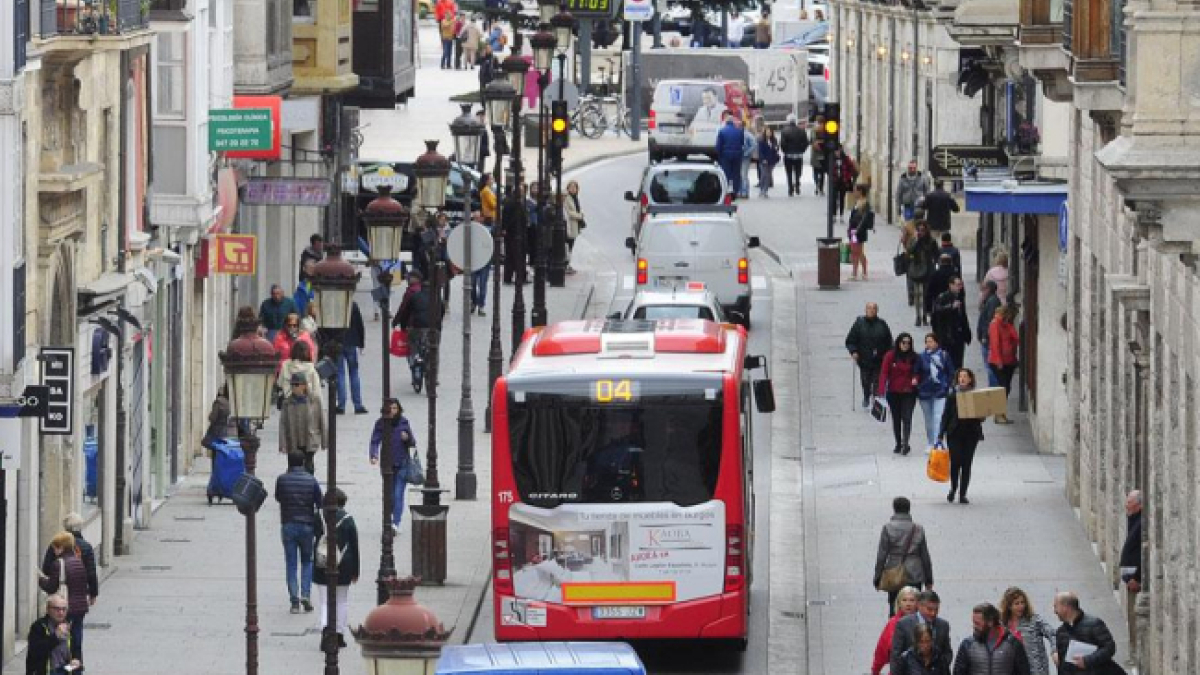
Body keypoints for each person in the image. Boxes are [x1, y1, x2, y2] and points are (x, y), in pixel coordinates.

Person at [276, 451, 323, 614]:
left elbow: (278, 497)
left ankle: (294, 601)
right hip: (307, 525)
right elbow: (320, 501)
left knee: (291, 563)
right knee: (307, 561)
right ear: (303, 462)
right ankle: (306, 594)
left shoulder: (282, 479)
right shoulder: (311, 480)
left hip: (288, 523)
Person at [312, 488, 359, 649]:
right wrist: (355, 571)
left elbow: (315, 537)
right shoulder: (347, 519)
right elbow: (354, 546)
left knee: (325, 602)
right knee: (342, 601)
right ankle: (339, 634)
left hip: (322, 563)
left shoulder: (318, 516)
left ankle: (326, 630)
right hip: (344, 565)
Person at [875, 498, 935, 614]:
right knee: (914, 603)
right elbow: (925, 555)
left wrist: (877, 578)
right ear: (909, 509)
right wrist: (929, 579)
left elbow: (881, 555)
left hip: (894, 571)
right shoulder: (918, 528)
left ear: (894, 509)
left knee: (894, 604)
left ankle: (895, 627)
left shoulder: (888, 528)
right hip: (915, 572)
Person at [38, 532, 90, 661]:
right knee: (76, 641)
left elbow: (51, 587)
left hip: (65, 608)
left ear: (62, 547)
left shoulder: (58, 564)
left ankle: (65, 669)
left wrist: (40, 580)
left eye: (56, 547)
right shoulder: (79, 562)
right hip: (80, 608)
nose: (54, 550)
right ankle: (77, 669)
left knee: (63, 643)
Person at [939, 368, 985, 504]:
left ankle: (963, 493)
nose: (962, 379)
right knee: (956, 461)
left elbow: (982, 416)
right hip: (954, 432)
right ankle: (953, 488)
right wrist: (940, 434)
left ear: (970, 379)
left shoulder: (976, 396)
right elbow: (945, 415)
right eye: (960, 377)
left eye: (965, 376)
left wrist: (981, 415)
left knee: (967, 463)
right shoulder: (952, 396)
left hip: (971, 433)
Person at [370, 398, 416, 530]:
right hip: (387, 464)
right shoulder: (381, 423)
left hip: (402, 462)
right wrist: (374, 455)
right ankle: (389, 516)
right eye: (390, 408)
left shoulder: (403, 422)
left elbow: (412, 442)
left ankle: (395, 522)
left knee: (398, 493)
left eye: (395, 408)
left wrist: (407, 438)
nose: (393, 411)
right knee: (389, 494)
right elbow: (375, 440)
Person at [40, 514, 98, 611]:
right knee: (77, 623)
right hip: (80, 595)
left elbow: (46, 568)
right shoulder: (86, 547)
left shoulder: (56, 545)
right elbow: (91, 573)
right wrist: (93, 594)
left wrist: (43, 580)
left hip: (60, 595)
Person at [952, 603, 1031, 675]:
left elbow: (1024, 672)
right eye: (973, 623)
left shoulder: (1013, 644)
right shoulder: (967, 644)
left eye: (977, 623)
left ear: (990, 622)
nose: (974, 626)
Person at [1053, 592, 1118, 674]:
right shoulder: (1061, 632)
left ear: (1066, 607)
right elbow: (1063, 666)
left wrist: (1087, 661)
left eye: (1056, 607)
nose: (1054, 611)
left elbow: (1110, 648)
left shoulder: (1094, 624)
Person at [878, 333, 921, 455]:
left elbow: (918, 371)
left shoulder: (915, 357)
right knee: (896, 419)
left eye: (908, 343)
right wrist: (881, 390)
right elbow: (884, 372)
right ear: (898, 343)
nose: (906, 345)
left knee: (907, 418)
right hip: (893, 392)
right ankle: (898, 442)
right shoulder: (890, 356)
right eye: (903, 342)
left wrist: (916, 378)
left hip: (909, 391)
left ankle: (905, 443)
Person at [999, 587, 1058, 675]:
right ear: (1008, 606)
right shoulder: (1002, 624)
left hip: (1036, 670)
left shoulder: (1034, 620)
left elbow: (1052, 634)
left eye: (1023, 602)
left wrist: (1055, 651)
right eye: (1016, 603)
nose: (1021, 606)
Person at [846, 302, 893, 409]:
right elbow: (850, 340)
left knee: (877, 380)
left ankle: (876, 400)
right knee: (866, 380)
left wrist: (889, 354)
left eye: (874, 308)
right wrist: (854, 351)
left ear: (877, 311)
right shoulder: (859, 324)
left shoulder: (882, 324)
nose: (871, 310)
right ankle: (866, 395)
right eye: (869, 308)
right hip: (864, 358)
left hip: (879, 359)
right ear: (865, 310)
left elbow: (889, 341)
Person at [890, 591, 952, 672]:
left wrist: (940, 667)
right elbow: (895, 656)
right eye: (929, 609)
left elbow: (947, 652)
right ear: (919, 606)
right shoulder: (903, 624)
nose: (933, 613)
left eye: (936, 609)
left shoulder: (943, 625)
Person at [279, 372, 327, 474]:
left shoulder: (314, 400)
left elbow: (321, 419)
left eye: (296, 385)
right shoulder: (287, 403)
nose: (294, 388)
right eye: (292, 385)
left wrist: (324, 441)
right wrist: (282, 444)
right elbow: (283, 424)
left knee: (309, 465)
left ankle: (309, 484)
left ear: (304, 385)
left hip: (309, 438)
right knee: (293, 466)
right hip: (293, 439)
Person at [916, 333, 954, 450]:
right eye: (927, 341)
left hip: (940, 391)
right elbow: (917, 372)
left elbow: (950, 371)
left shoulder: (944, 355)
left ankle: (939, 441)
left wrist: (947, 385)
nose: (929, 344)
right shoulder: (921, 357)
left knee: (938, 416)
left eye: (931, 341)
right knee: (928, 418)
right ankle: (930, 441)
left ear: (937, 342)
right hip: (925, 391)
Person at [25, 595, 80, 675]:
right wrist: (55, 636)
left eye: (64, 609)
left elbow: (76, 647)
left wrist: (77, 659)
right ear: (48, 609)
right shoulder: (39, 626)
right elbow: (35, 651)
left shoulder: (69, 625)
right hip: (47, 671)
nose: (61, 612)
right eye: (57, 609)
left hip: (66, 669)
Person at [872, 586, 921, 675]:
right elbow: (881, 650)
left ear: (918, 603)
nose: (908, 604)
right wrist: (875, 670)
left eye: (912, 600)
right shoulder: (893, 623)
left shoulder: (923, 621)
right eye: (904, 600)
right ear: (899, 603)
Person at [987, 304, 1019, 424]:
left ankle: (1001, 413)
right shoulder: (995, 324)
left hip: (1009, 360)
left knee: (1006, 387)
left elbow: (1016, 338)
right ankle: (999, 414)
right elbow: (995, 343)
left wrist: (1009, 325)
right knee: (1003, 388)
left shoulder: (1006, 325)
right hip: (999, 361)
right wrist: (998, 360)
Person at [931, 277, 972, 372]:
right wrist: (950, 307)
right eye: (957, 285)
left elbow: (963, 317)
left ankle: (957, 380)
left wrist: (967, 333)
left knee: (958, 362)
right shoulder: (943, 297)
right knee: (947, 362)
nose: (960, 287)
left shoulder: (959, 296)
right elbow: (937, 312)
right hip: (947, 337)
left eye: (961, 285)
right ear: (951, 285)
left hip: (958, 336)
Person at [1119, 490, 1143, 653]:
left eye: (1130, 502)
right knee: (1131, 617)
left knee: (1135, 618)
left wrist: (1136, 577)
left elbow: (1143, 552)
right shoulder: (1134, 519)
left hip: (1135, 580)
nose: (1126, 505)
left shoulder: (1142, 523)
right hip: (1130, 579)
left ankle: (1136, 653)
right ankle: (1133, 650)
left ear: (1139, 505)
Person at [336, 302, 368, 415]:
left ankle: (341, 405)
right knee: (354, 372)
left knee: (340, 374)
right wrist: (361, 342)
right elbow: (359, 324)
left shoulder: (332, 303)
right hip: (351, 342)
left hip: (337, 341)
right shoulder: (352, 305)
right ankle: (358, 405)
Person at [907, 223, 940, 326]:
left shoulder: (931, 241)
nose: (921, 232)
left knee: (926, 294)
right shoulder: (914, 240)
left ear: (926, 231)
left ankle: (925, 315)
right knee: (916, 294)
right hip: (916, 269)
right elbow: (910, 251)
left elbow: (936, 255)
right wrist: (917, 241)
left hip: (928, 270)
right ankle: (918, 316)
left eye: (923, 230)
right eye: (919, 230)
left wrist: (936, 265)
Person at [277, 340, 322, 408]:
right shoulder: (311, 368)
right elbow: (317, 392)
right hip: (307, 405)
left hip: (289, 403)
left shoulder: (285, 365)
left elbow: (279, 383)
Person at [977, 280, 1002, 387]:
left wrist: (985, 336)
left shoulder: (992, 301)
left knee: (990, 367)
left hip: (988, 340)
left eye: (984, 289)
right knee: (989, 366)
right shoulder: (989, 300)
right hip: (987, 339)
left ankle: (993, 389)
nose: (982, 291)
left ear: (989, 289)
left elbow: (990, 321)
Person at [848, 185, 875, 280]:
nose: (854, 192)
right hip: (853, 230)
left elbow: (864, 219)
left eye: (855, 191)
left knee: (858, 252)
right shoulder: (857, 202)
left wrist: (857, 230)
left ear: (860, 191)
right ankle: (855, 273)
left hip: (858, 231)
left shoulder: (865, 203)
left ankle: (862, 273)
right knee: (855, 251)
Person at [715, 112, 745, 198]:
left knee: (726, 173)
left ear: (726, 122)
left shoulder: (722, 131)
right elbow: (742, 143)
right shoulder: (739, 131)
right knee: (736, 173)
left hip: (725, 155)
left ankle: (726, 191)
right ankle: (735, 191)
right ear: (733, 122)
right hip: (737, 155)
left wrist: (719, 156)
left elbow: (718, 146)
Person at [780, 114, 809, 196]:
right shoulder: (801, 131)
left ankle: (790, 189)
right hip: (799, 155)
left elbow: (782, 143)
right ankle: (797, 184)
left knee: (789, 172)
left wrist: (785, 151)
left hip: (788, 155)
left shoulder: (784, 131)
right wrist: (802, 150)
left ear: (788, 121)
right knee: (798, 171)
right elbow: (806, 142)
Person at [924, 254, 957, 323]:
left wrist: (928, 309)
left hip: (939, 305)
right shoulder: (955, 274)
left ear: (940, 262)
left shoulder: (935, 274)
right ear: (950, 262)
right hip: (952, 304)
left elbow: (929, 293)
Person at [564, 180, 586, 276]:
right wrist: (580, 215)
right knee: (567, 246)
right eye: (571, 187)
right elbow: (568, 212)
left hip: (575, 226)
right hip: (570, 225)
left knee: (570, 247)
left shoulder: (575, 198)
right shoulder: (567, 198)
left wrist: (580, 213)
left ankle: (568, 264)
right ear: (568, 188)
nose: (573, 189)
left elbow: (578, 208)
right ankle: (566, 265)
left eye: (575, 187)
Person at [833, 148, 859, 217]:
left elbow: (851, 168)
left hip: (843, 182)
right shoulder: (832, 159)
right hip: (835, 181)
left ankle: (841, 214)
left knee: (842, 198)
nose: (837, 153)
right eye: (836, 151)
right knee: (834, 198)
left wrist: (848, 176)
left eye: (838, 151)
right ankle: (834, 214)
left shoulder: (846, 159)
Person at [757, 126, 780, 198]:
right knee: (764, 175)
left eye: (770, 132)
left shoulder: (774, 140)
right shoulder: (761, 140)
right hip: (763, 161)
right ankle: (762, 190)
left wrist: (774, 146)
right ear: (765, 132)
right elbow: (760, 151)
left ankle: (765, 191)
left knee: (768, 176)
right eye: (767, 132)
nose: (769, 133)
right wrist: (763, 159)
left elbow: (776, 149)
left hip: (772, 160)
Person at [739, 117, 756, 199]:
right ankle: (743, 192)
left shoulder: (747, 135)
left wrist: (746, 153)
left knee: (743, 175)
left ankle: (744, 192)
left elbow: (754, 145)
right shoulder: (748, 134)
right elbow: (754, 145)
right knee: (743, 175)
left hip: (744, 157)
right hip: (744, 157)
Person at [810, 115, 827, 195]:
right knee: (822, 171)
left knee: (816, 171)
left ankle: (817, 185)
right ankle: (821, 188)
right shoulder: (826, 129)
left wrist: (816, 143)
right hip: (823, 152)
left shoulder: (813, 130)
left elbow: (811, 141)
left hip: (815, 153)